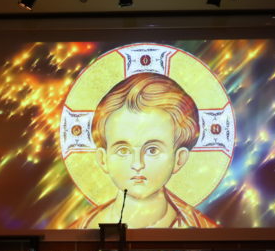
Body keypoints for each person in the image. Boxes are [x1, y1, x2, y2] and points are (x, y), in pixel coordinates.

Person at [69, 72, 217, 229]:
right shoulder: (79, 232)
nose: (137, 164)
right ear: (103, 159)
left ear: (179, 159)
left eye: (152, 150)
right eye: (123, 150)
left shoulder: (204, 232)